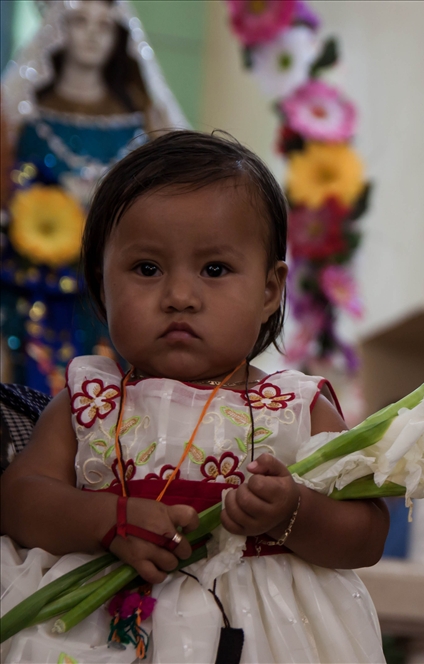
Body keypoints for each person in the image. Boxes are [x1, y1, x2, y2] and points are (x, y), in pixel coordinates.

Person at [0, 131, 388, 663]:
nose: (180, 297)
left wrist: (293, 511)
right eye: (147, 269)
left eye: (214, 270)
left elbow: (366, 533)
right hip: (101, 628)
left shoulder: (297, 407)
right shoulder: (91, 401)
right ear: (100, 282)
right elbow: (19, 499)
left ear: (271, 288)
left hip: (267, 635)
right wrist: (104, 518)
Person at [0, 0, 187, 393]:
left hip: (113, 284)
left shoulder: (142, 119)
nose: (91, 35)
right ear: (56, 28)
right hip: (39, 283)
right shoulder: (22, 115)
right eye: (79, 21)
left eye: (103, 26)